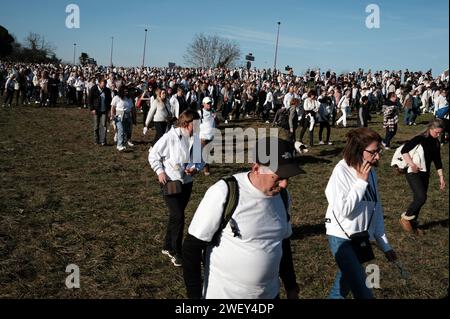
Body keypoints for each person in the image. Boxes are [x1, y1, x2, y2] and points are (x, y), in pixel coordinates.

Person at [183, 136, 302, 299]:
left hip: (270, 295)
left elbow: (283, 244)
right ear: (256, 168)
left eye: (288, 177)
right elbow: (192, 248)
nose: (284, 184)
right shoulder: (225, 192)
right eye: (279, 177)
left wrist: (291, 286)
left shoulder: (283, 197)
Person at [325, 127, 397, 299]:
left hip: (360, 238)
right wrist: (360, 182)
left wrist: (384, 244)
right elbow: (344, 211)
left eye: (378, 151)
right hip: (341, 237)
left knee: (342, 286)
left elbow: (375, 209)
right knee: (363, 292)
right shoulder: (341, 171)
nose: (377, 156)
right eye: (373, 152)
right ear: (358, 150)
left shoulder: (370, 172)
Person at [148, 110, 203, 267]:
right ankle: (176, 252)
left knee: (176, 216)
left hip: (187, 183)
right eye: (195, 124)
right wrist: (160, 172)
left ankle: (167, 246)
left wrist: (195, 168)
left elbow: (200, 161)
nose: (198, 127)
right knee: (179, 216)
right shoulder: (169, 137)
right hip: (170, 182)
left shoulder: (196, 139)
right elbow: (153, 155)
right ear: (186, 124)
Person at [399, 119, 446, 234]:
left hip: (426, 173)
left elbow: (437, 160)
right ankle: (406, 218)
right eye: (437, 132)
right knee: (421, 197)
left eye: (440, 133)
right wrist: (412, 164)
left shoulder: (436, 142)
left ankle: (413, 223)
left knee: (419, 199)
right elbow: (404, 150)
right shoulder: (420, 139)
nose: (438, 135)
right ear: (431, 129)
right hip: (413, 172)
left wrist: (441, 177)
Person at [110, 86, 135, 151]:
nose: (126, 92)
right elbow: (113, 107)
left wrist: (133, 117)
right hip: (119, 116)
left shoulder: (129, 99)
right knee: (121, 130)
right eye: (125, 91)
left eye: (127, 91)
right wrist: (112, 115)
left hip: (128, 116)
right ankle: (119, 145)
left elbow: (132, 108)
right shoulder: (116, 98)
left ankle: (123, 144)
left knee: (126, 131)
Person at [89, 78, 112, 146]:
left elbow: (109, 100)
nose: (104, 86)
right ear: (99, 83)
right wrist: (92, 109)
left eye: (105, 85)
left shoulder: (107, 90)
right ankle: (96, 140)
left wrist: (109, 109)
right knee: (96, 126)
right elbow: (90, 99)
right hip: (96, 110)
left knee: (104, 125)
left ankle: (103, 140)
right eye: (102, 85)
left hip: (104, 110)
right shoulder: (93, 89)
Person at [198, 97, 217, 176]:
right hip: (203, 136)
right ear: (203, 104)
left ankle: (200, 166)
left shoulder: (213, 111)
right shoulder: (200, 112)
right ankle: (206, 170)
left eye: (210, 103)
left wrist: (216, 118)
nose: (209, 104)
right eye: (207, 103)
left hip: (211, 136)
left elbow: (217, 123)